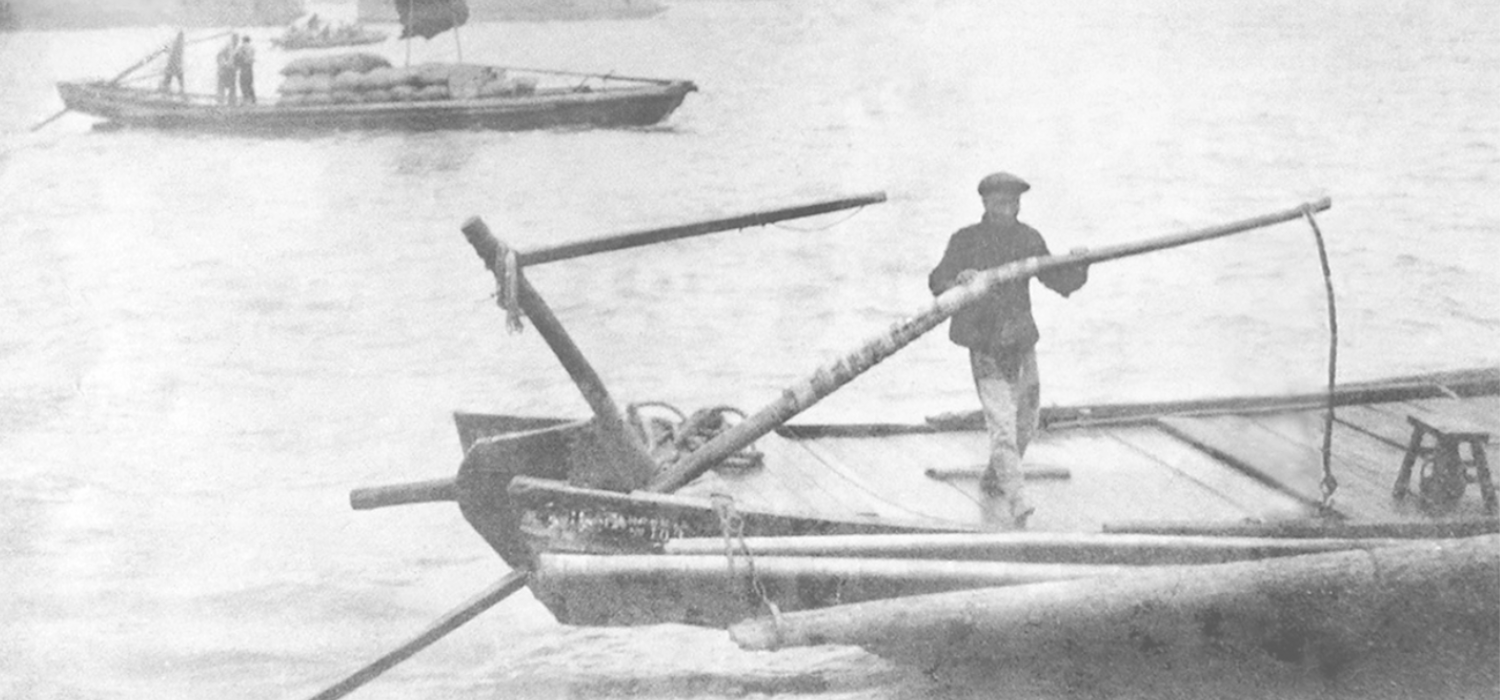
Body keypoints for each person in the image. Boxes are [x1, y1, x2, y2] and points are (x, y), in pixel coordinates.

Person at [927, 172, 1088, 529]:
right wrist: (960, 280)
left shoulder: (1028, 238)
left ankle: (994, 475)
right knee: (1001, 423)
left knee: (1026, 420)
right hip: (984, 344)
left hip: (1020, 341)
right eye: (1001, 203)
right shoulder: (965, 240)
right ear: (985, 204)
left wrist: (1079, 262)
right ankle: (1018, 500)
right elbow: (937, 281)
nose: (1009, 209)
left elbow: (1060, 282)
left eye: (1014, 203)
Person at [158, 30, 186, 94]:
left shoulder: (177, 43)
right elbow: (174, 53)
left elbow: (172, 52)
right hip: (174, 64)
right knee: (177, 77)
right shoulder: (178, 43)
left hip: (173, 64)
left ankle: (166, 89)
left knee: (170, 77)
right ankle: (180, 90)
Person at [216, 33, 239, 105]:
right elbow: (219, 55)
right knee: (222, 85)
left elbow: (237, 59)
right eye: (235, 39)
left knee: (232, 86)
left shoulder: (236, 48)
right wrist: (223, 64)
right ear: (232, 39)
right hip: (225, 68)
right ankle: (221, 100)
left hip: (232, 69)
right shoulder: (227, 47)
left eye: (237, 40)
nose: (236, 41)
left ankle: (231, 101)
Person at [234, 36, 257, 105]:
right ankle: (253, 99)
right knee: (249, 84)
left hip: (243, 67)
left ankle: (245, 100)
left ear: (243, 40)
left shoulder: (241, 47)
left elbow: (236, 55)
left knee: (243, 84)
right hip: (250, 67)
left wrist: (236, 65)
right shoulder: (252, 48)